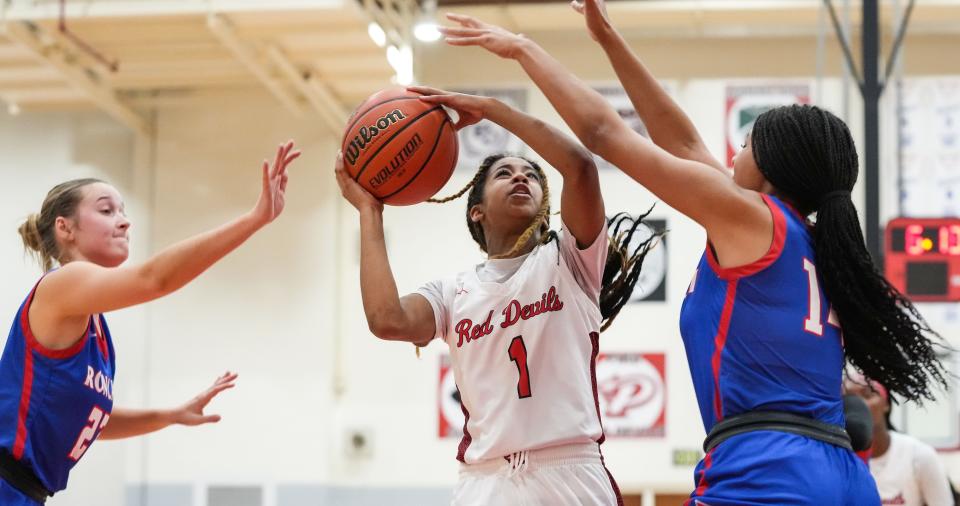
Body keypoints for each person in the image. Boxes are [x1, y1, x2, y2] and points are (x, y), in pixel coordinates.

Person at [435, 2, 948, 504]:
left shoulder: (752, 219)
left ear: (771, 167)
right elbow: (681, 144)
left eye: (745, 144)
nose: (731, 153)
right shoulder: (806, 239)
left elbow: (602, 134)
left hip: (767, 473)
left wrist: (523, 50)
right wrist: (608, 39)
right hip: (843, 474)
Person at [335, 89, 658, 506]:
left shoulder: (570, 260)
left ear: (545, 206)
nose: (521, 177)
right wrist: (369, 212)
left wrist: (492, 111)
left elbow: (579, 166)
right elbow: (387, 319)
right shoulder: (451, 293)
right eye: (504, 173)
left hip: (569, 470)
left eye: (531, 175)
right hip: (486, 479)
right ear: (477, 211)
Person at [0, 141, 300, 505]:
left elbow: (92, 419)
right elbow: (155, 279)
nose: (124, 221)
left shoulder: (94, 325)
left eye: (123, 211)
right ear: (66, 229)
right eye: (106, 210)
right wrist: (254, 219)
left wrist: (169, 414)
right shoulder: (64, 283)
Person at [845, 378, 954, 506]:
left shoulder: (919, 455)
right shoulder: (838, 460)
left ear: (886, 404)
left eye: (868, 394)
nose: (859, 404)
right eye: (850, 399)